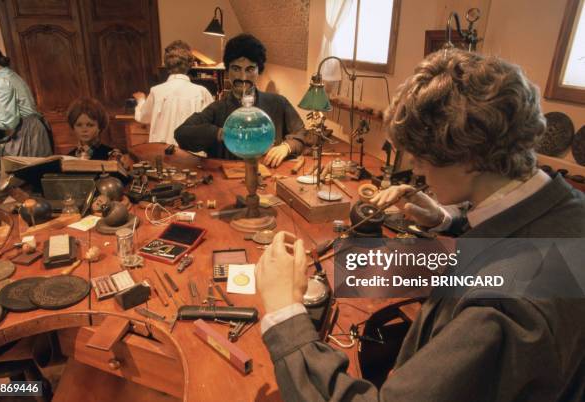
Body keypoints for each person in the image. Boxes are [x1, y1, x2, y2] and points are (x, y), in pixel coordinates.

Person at [255, 49, 585, 402]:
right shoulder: (568, 210)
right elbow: (521, 232)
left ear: (469, 160)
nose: (417, 172)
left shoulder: (501, 308)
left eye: (422, 162)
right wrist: (449, 218)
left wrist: (284, 315)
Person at [175, 34, 306, 167]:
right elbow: (181, 134)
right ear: (227, 70)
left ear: (259, 70)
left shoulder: (278, 103)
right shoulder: (217, 109)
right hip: (226, 183)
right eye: (236, 69)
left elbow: (301, 133)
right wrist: (220, 133)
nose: (243, 77)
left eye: (250, 69)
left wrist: (286, 147)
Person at [0, 42, 52, 166]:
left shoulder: (2, 81)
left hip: (29, 132)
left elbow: (8, 121)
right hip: (35, 127)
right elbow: (11, 109)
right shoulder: (9, 74)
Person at [133, 40, 213, 145]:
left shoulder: (156, 91)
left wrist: (140, 100)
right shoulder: (202, 92)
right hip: (191, 155)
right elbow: (212, 122)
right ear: (190, 64)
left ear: (166, 64)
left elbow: (143, 117)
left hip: (161, 154)